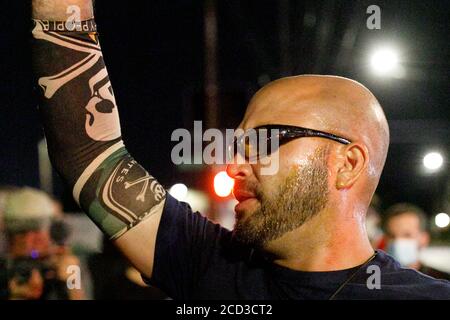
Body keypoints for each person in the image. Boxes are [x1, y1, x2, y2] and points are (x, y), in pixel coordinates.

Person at [30, 0, 450, 299]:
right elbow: (89, 154)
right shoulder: (208, 263)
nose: (234, 167)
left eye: (264, 142)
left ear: (347, 163)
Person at [1, 187, 85, 300]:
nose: (29, 240)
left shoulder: (66, 265)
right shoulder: (4, 270)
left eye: (37, 230)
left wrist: (73, 285)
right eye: (21, 231)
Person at [384, 203, 450, 280]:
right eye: (392, 236)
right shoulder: (376, 280)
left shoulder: (442, 282)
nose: (397, 241)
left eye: (407, 235)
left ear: (424, 239)